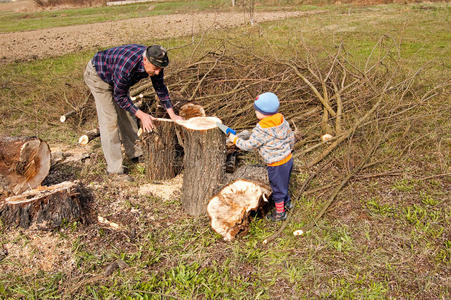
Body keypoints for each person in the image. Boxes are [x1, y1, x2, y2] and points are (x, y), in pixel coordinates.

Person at [84, 44, 182, 180]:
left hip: (116, 77)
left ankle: (135, 153)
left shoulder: (156, 63)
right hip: (99, 76)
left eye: (160, 69)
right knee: (110, 121)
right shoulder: (127, 66)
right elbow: (119, 96)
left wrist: (173, 115)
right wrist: (142, 115)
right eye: (155, 69)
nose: (158, 72)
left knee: (128, 115)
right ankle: (114, 171)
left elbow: (160, 88)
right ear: (145, 60)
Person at [228, 92, 295, 221]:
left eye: (256, 110)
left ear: (263, 113)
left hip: (276, 165)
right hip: (288, 159)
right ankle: (287, 203)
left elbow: (248, 145)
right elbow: (290, 136)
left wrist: (235, 139)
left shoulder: (261, 129)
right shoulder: (281, 120)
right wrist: (290, 148)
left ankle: (280, 213)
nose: (255, 112)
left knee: (277, 189)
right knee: (284, 183)